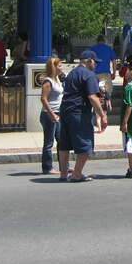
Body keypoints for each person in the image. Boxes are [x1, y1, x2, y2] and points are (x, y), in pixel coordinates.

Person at [57, 50, 107, 182]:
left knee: (64, 145)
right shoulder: (89, 75)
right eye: (95, 62)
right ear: (89, 60)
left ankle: (63, 174)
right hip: (79, 112)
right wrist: (102, 116)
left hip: (65, 111)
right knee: (86, 144)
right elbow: (92, 97)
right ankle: (77, 174)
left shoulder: (72, 73)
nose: (96, 64)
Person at [39, 57, 64, 174]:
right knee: (49, 142)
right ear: (53, 67)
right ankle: (47, 167)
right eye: (59, 66)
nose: (61, 67)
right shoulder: (48, 81)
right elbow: (43, 99)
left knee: (61, 140)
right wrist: (52, 114)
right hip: (49, 114)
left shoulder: (58, 79)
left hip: (58, 113)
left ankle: (63, 165)